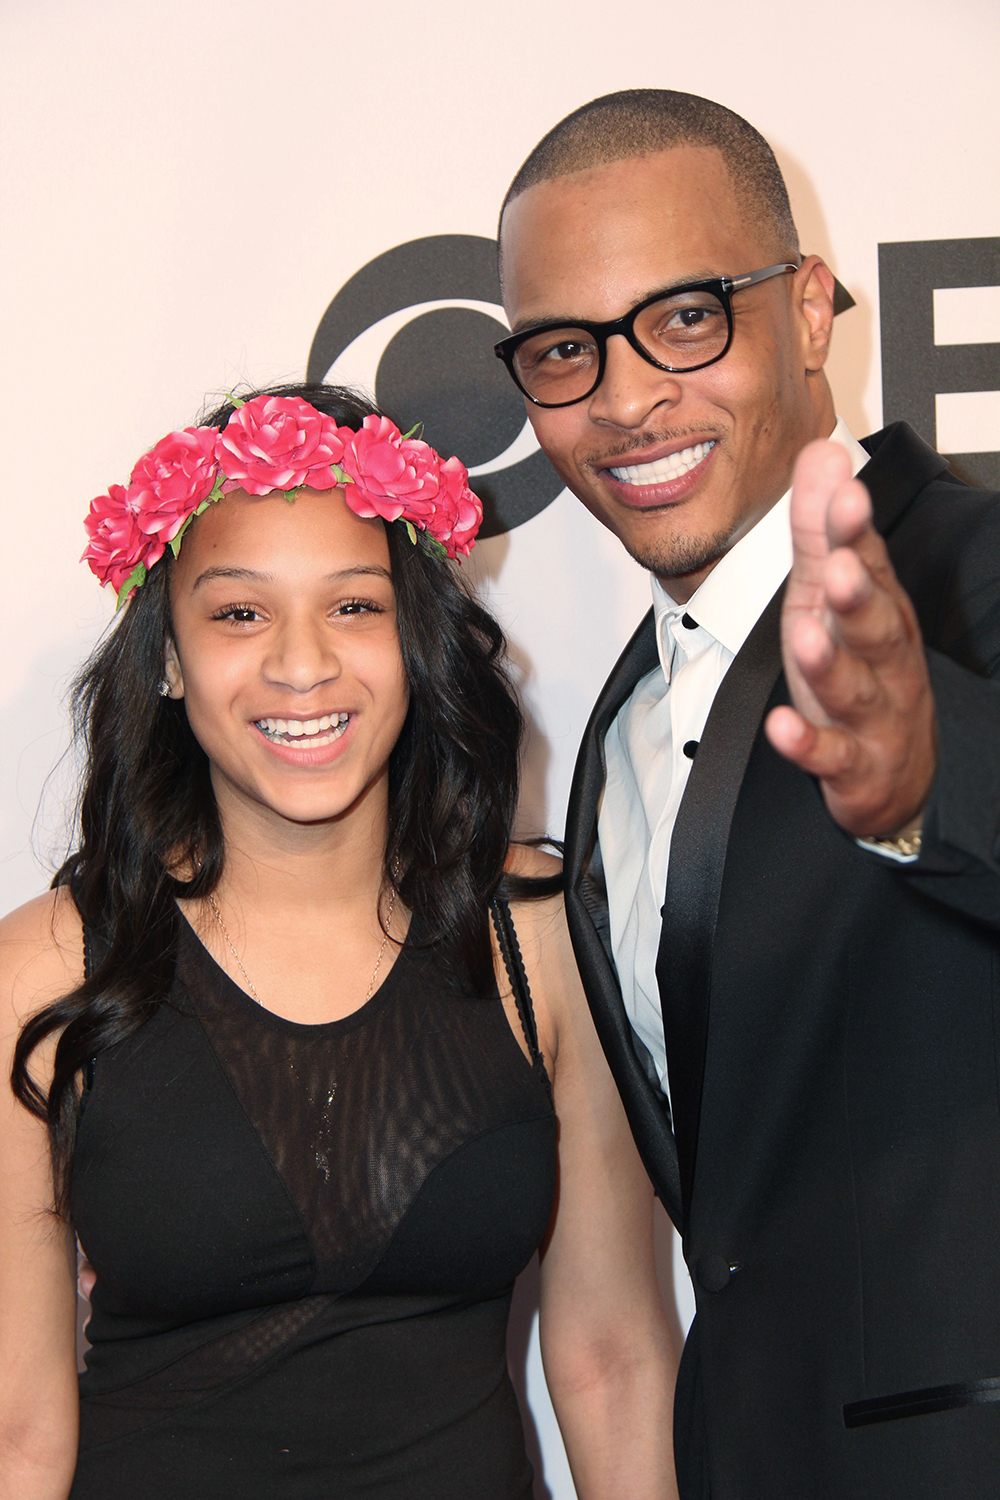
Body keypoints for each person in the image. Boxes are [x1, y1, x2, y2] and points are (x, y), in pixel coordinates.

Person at [0, 383, 679, 1499]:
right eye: (238, 614)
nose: (302, 664)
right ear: (167, 658)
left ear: (414, 640)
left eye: (354, 607)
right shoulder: (45, 973)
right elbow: (23, 1431)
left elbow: (611, 1359)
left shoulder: (539, 938)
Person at [494, 89, 1000, 1499]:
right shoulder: (620, 726)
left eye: (688, 317)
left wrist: (928, 776)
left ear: (814, 308)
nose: (627, 394)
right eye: (563, 350)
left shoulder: (965, 576)